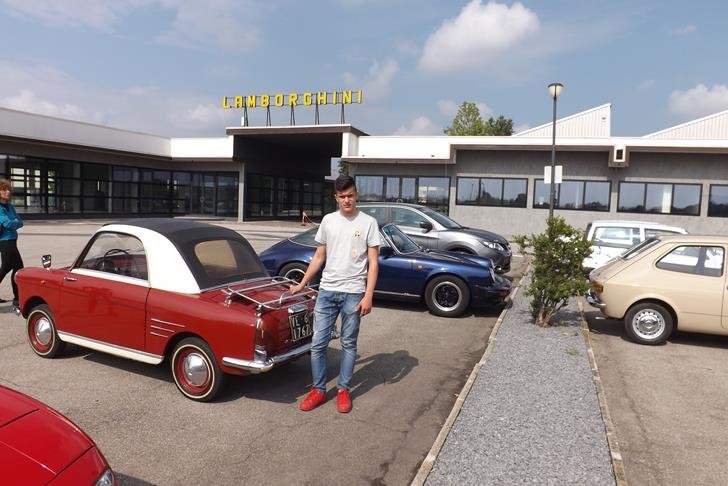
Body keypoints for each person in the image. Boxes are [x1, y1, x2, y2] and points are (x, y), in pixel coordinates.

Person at [291, 175, 379, 413]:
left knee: (348, 343)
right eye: (342, 197)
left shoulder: (369, 222)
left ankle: (343, 390)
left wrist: (368, 295)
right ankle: (318, 390)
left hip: (354, 293)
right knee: (318, 343)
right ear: (336, 198)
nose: (347, 200)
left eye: (350, 195)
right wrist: (302, 283)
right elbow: (319, 256)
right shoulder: (328, 221)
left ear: (356, 195)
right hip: (327, 291)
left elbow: (373, 263)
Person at [0, 179, 24, 307]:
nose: (7, 192)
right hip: (5, 241)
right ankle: (17, 298)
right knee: (18, 267)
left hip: (12, 240)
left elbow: (20, 222)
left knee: (6, 267)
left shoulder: (10, 206)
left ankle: (17, 297)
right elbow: (8, 223)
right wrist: (14, 222)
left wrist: (14, 222)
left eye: (8, 190)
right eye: (4, 190)